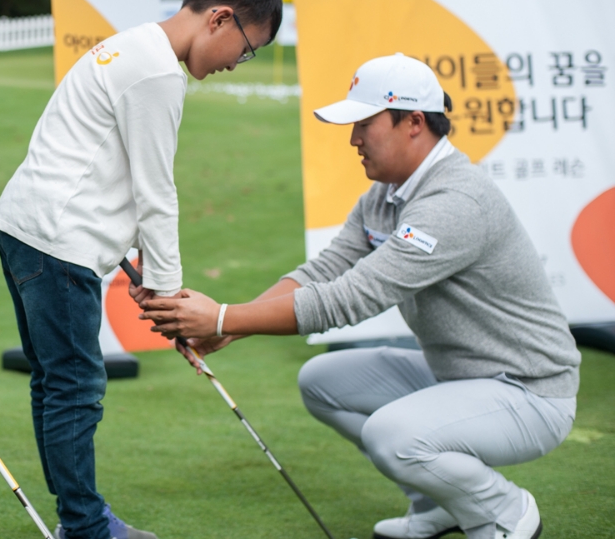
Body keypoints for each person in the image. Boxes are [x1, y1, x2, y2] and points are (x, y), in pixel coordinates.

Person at [141, 53, 581, 539]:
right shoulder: (386, 194)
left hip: (529, 393)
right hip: (458, 376)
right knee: (322, 381)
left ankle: (504, 512)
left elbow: (349, 298)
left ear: (414, 123)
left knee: (391, 435)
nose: (353, 139)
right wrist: (228, 329)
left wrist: (223, 318)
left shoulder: (456, 201)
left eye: (365, 124)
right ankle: (443, 503)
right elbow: (323, 271)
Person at [0, 0, 282, 539]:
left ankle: (79, 519)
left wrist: (146, 270)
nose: (237, 63)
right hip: (59, 244)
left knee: (55, 381)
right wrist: (172, 299)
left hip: (26, 229)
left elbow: (104, 170)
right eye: (247, 48)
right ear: (221, 19)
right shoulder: (157, 74)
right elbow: (156, 192)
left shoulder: (134, 46)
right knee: (76, 387)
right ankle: (85, 527)